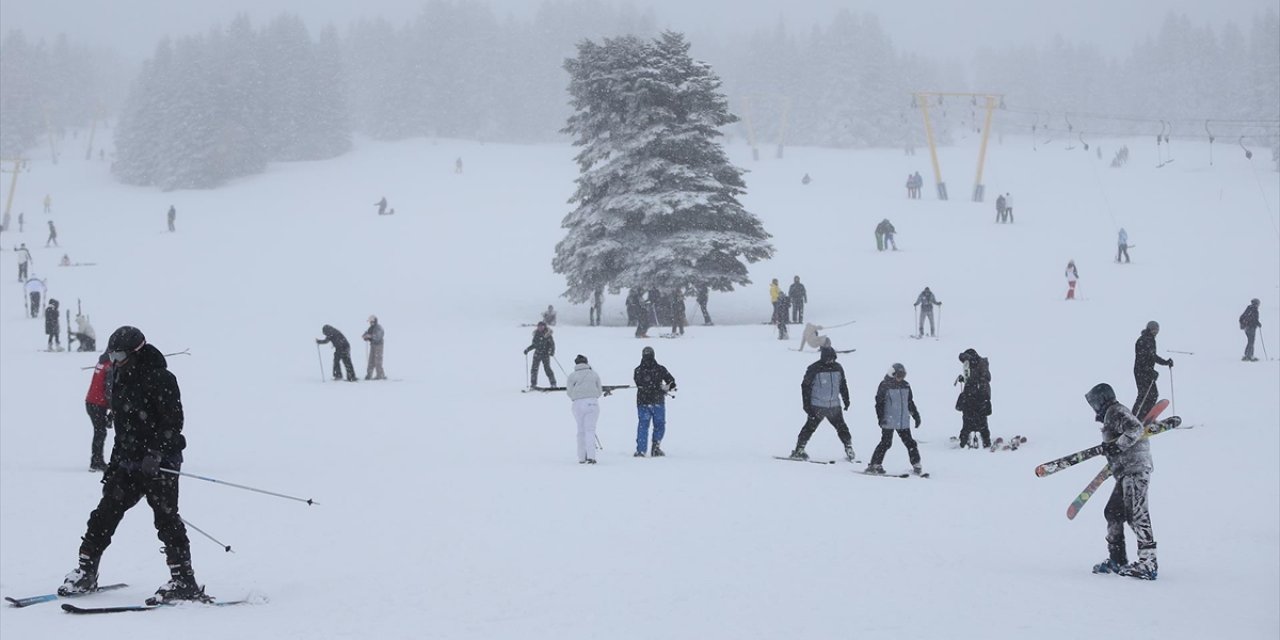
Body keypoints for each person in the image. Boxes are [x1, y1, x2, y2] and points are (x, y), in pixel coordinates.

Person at [59, 326, 210, 604]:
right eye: (111, 356)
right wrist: (115, 463)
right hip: (128, 461)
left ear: (137, 352)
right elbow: (123, 427)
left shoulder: (161, 378)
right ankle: (86, 571)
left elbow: (173, 422)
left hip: (160, 462)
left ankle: (183, 581)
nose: (115, 361)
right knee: (104, 514)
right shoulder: (119, 375)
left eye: (119, 356)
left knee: (166, 519)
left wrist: (155, 453)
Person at [1085, 383, 1159, 580]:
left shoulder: (1115, 411)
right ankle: (1117, 559)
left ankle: (1148, 562)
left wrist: (1117, 446)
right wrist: (1113, 452)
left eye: (1094, 403)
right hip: (1126, 470)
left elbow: (1135, 429)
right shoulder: (1112, 414)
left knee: (1136, 513)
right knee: (1113, 512)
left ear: (1101, 399)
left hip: (1134, 470)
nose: (1094, 407)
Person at [789, 346, 856, 462]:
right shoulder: (814, 368)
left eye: (832, 358)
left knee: (842, 428)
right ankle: (799, 449)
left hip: (834, 406)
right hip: (817, 406)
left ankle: (849, 448)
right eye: (828, 358)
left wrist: (846, 399)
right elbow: (805, 387)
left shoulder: (838, 368)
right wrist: (807, 406)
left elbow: (843, 385)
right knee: (809, 428)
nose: (830, 360)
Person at [866, 363, 923, 475]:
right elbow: (879, 404)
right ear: (892, 374)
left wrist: (916, 415)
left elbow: (909, 402)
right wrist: (881, 418)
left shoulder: (906, 385)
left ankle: (916, 464)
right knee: (886, 443)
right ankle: (875, 464)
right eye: (898, 375)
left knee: (910, 443)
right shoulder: (884, 385)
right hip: (889, 420)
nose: (900, 378)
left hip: (902, 421)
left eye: (903, 375)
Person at [633, 346, 675, 457]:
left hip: (643, 402)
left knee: (643, 426)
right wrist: (666, 387)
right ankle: (656, 447)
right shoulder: (660, 369)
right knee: (659, 425)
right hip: (657, 402)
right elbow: (672, 381)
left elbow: (639, 383)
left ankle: (641, 451)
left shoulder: (637, 370)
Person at [566, 354, 603, 464]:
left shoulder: (572, 376)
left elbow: (569, 392)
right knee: (590, 430)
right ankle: (591, 457)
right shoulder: (594, 374)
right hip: (592, 403)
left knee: (580, 431)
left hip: (577, 404)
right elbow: (599, 390)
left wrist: (576, 396)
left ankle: (581, 457)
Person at [1132, 321, 1172, 419]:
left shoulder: (1150, 340)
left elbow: (1153, 356)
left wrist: (1166, 362)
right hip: (1141, 372)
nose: (1156, 332)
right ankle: (1134, 418)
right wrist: (1150, 371)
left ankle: (1144, 417)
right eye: (1154, 329)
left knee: (1152, 395)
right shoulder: (1143, 340)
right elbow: (1142, 359)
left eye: (1157, 330)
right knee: (1144, 395)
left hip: (1147, 372)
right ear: (1149, 329)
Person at [955, 349, 992, 448]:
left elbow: (984, 379)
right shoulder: (973, 364)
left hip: (979, 396)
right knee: (969, 419)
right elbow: (973, 379)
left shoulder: (981, 364)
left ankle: (983, 440)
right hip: (973, 395)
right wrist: (965, 380)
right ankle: (968, 440)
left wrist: (972, 383)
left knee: (977, 419)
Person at [85, 352, 112, 470]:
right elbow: (109, 390)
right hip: (98, 403)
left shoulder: (102, 362)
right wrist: (113, 409)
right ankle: (96, 461)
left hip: (91, 401)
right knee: (100, 432)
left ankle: (97, 459)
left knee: (99, 431)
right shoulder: (110, 366)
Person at [523, 321, 556, 388]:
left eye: (541, 326)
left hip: (545, 354)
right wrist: (527, 349)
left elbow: (552, 345)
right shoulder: (536, 334)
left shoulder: (547, 334)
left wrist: (551, 352)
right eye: (539, 326)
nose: (540, 328)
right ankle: (533, 384)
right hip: (537, 354)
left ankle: (553, 383)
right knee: (534, 369)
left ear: (544, 327)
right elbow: (534, 345)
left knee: (547, 369)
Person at [362, 315, 386, 380]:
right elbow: (367, 334)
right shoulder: (370, 328)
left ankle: (380, 375)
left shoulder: (379, 328)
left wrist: (370, 336)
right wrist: (365, 337)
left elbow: (378, 337)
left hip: (379, 346)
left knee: (378, 361)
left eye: (371, 321)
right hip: (372, 346)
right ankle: (369, 375)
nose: (370, 323)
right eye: (370, 322)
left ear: (374, 321)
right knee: (371, 361)